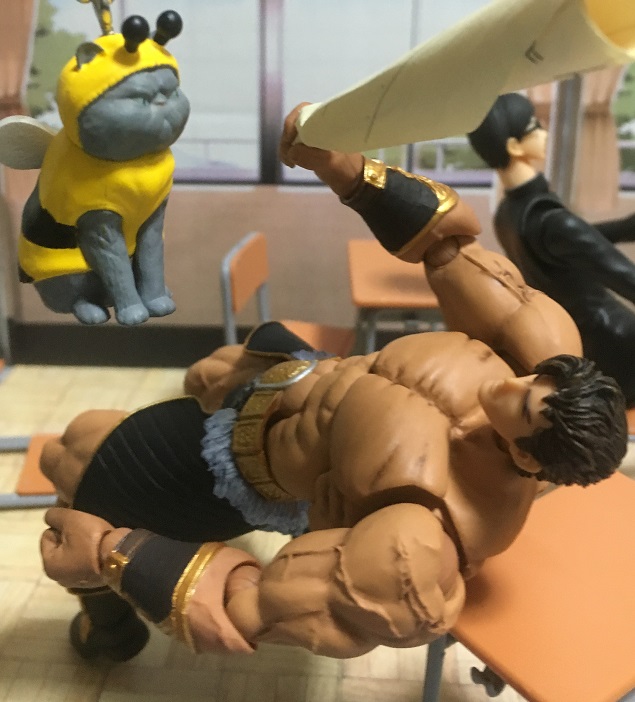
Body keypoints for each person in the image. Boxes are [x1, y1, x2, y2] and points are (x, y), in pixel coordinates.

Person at [39, 103, 627, 663]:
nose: (506, 387)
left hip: (245, 471)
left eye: (521, 408)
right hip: (294, 375)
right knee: (209, 372)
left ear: (527, 457)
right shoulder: (535, 347)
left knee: (77, 459)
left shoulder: (431, 534)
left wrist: (114, 554)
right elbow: (448, 245)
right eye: (531, 381)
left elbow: (253, 609)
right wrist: (342, 167)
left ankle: (107, 628)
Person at [468, 92, 635, 404]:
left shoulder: (508, 214)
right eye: (534, 127)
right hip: (619, 346)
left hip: (576, 343)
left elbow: (573, 244)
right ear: (514, 146)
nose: (544, 134)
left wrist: (626, 227)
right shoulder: (551, 221)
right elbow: (625, 278)